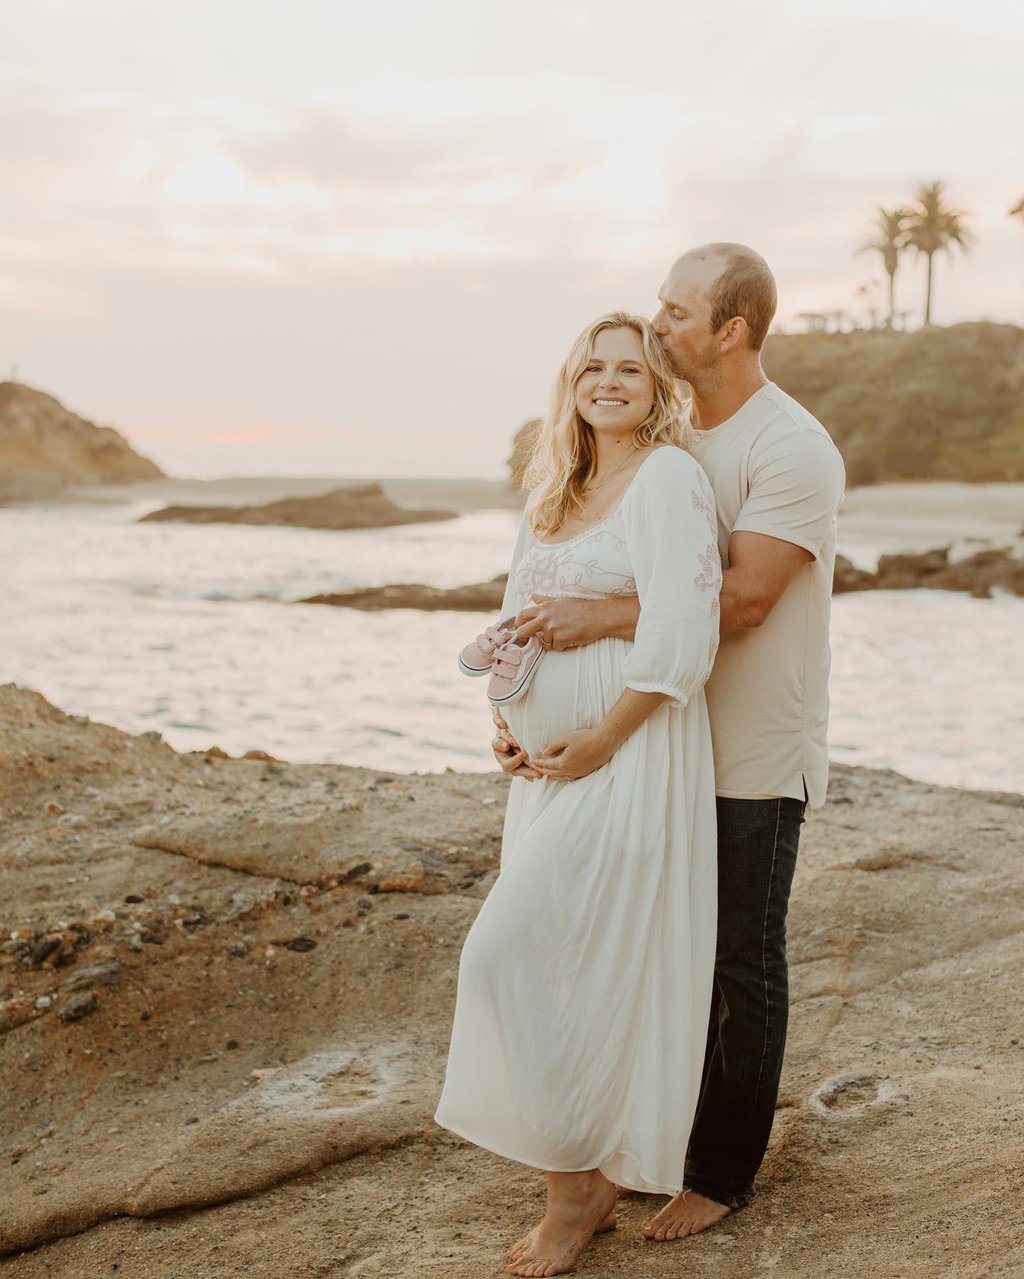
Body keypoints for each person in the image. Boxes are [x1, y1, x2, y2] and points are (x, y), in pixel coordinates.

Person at [498, 245, 847, 1242]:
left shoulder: (789, 447)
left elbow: (739, 597)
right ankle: (629, 1145)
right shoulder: (676, 434)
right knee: (652, 947)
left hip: (751, 742)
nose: (657, 324)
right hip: (664, 742)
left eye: (676, 310)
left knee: (740, 954)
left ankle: (720, 1170)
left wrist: (600, 617)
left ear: (730, 330)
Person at [435, 312, 722, 1278]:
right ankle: (585, 1172)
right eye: (593, 367)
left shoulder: (669, 477)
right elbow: (515, 628)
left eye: (630, 368)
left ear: (657, 386)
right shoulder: (553, 489)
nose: (610, 381)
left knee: (509, 950)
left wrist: (603, 737)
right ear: (571, 383)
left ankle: (573, 1194)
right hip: (552, 766)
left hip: (630, 751)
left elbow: (688, 627)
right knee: (558, 959)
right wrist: (508, 730)